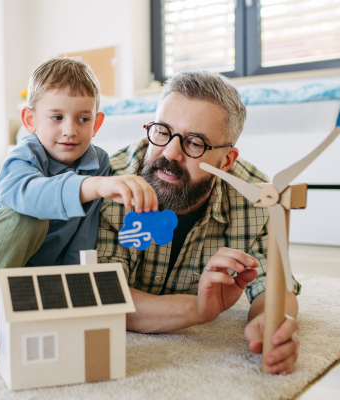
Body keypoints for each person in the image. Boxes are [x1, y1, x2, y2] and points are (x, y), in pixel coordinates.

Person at [0, 57, 158, 373]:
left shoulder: (99, 162)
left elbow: (83, 235)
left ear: (97, 123)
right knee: (29, 215)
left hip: (18, 283)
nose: (70, 130)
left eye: (82, 119)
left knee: (57, 310)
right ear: (30, 120)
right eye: (56, 117)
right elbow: (27, 196)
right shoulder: (23, 155)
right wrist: (93, 185)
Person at [97, 70, 302, 375]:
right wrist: (197, 310)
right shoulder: (108, 184)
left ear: (227, 161)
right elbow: (105, 296)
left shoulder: (256, 197)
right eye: (162, 131)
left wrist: (270, 321)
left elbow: (272, 283)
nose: (170, 152)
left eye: (194, 143)